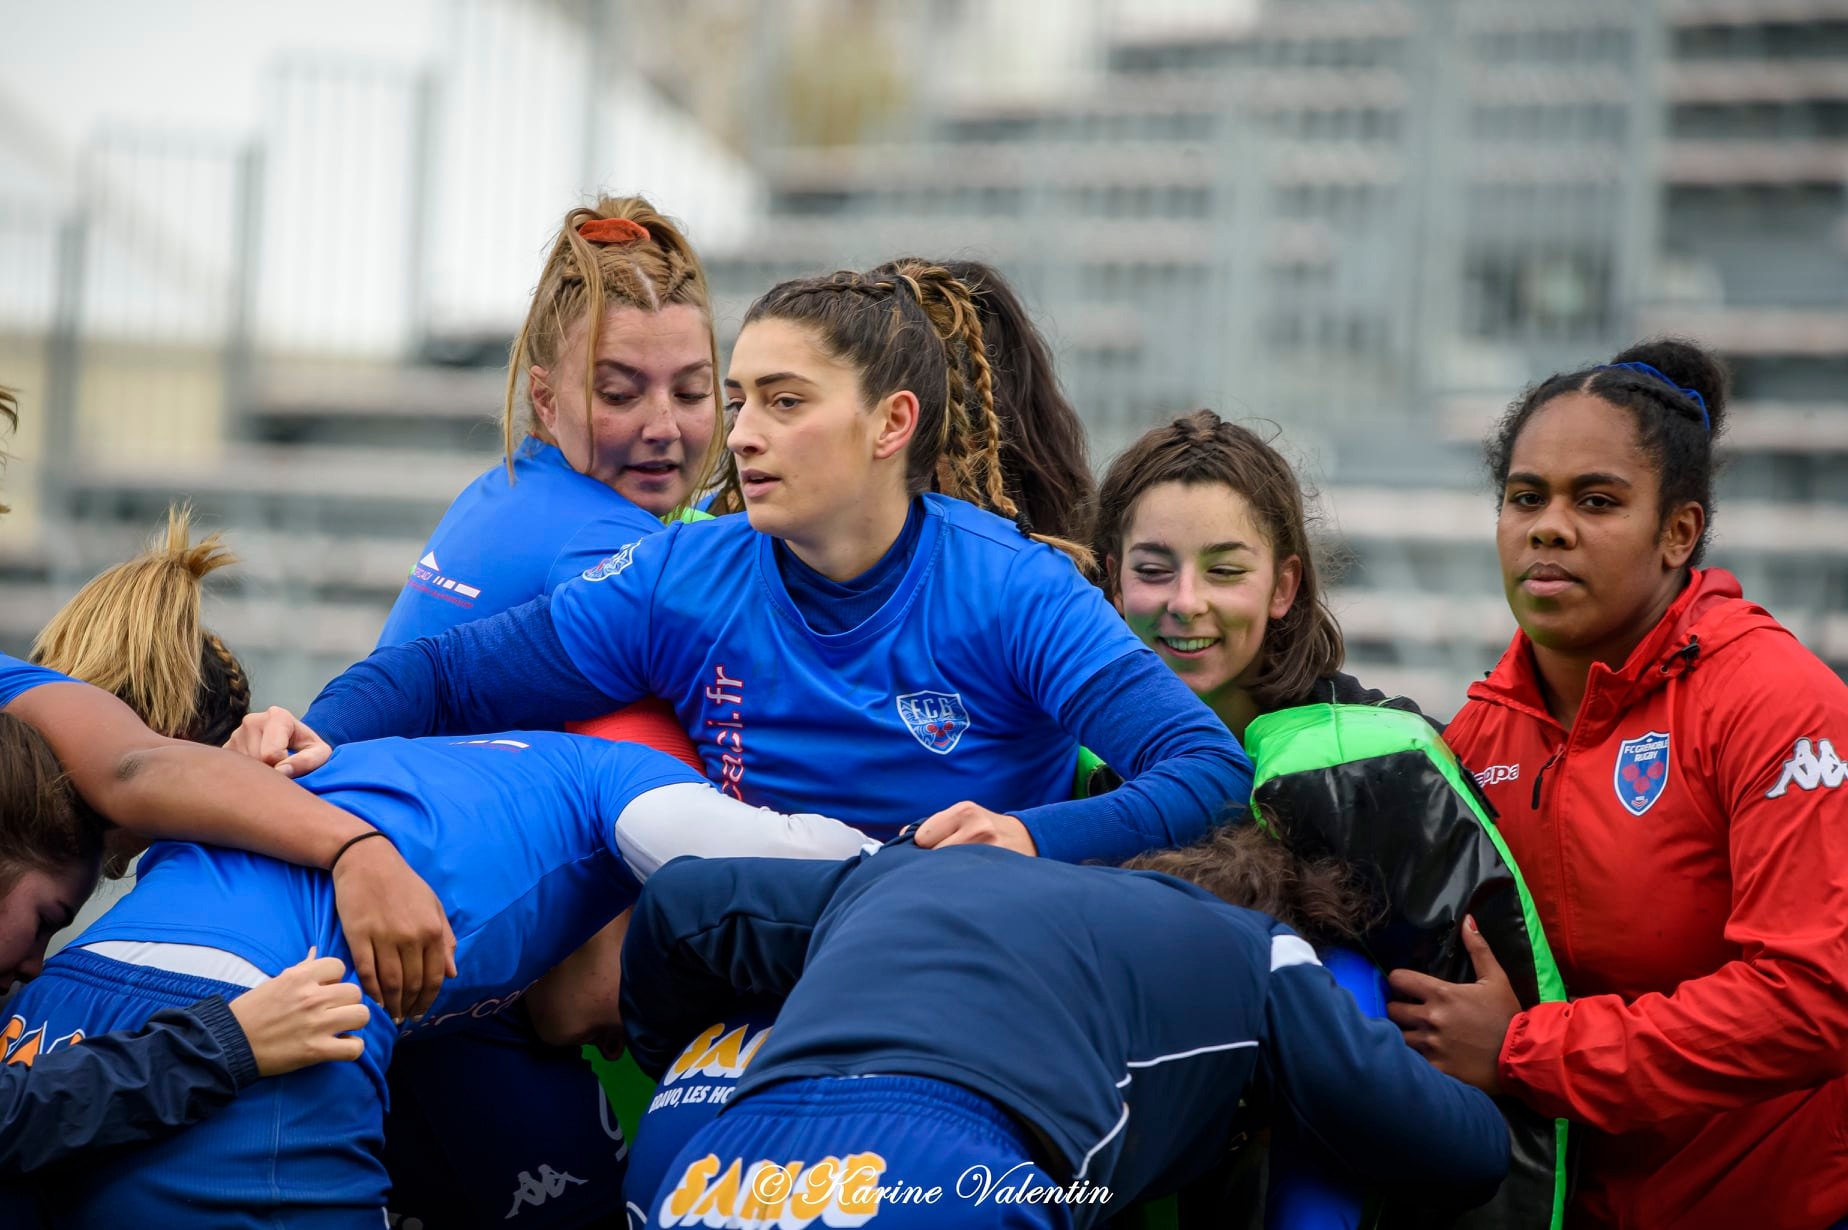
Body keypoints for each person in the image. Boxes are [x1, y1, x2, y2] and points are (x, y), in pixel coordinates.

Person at [233, 262, 1247, 866]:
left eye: (786, 402)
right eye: (739, 401)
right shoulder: (684, 576)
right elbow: (444, 675)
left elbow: (1208, 772)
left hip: (950, 954)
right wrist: (309, 732)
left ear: (893, 423)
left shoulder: (1013, 587)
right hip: (746, 958)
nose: (743, 437)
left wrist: (1029, 843)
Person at [3, 558, 873, 1227]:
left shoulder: (340, 780)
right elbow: (816, 862)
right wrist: (982, 848)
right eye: (655, 952)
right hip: (262, 1017)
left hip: (60, 1022)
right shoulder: (621, 783)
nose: (630, 1028)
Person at [1388, 339, 1848, 1229]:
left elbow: (1813, 997)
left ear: (1679, 531)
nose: (1548, 527)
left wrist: (1526, 1055)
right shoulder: (1482, 730)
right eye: (1526, 498)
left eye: (1595, 501)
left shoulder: (1778, 703)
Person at [618, 829, 1510, 1230]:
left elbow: (681, 901)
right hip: (955, 1174)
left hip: (715, 1159)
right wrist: (1502, 1055)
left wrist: (666, 1063)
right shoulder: (1253, 947)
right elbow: (1450, 1150)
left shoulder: (915, 875)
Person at [376, 197, 721, 647]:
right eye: (619, 395)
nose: (664, 427)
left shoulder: (498, 490)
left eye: (691, 392)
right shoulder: (610, 544)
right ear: (546, 400)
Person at [1095, 409, 1428, 742]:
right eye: (1153, 571)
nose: (1186, 602)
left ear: (1282, 587)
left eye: (1224, 571)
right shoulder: (1067, 749)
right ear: (1116, 583)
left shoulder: (1389, 751)